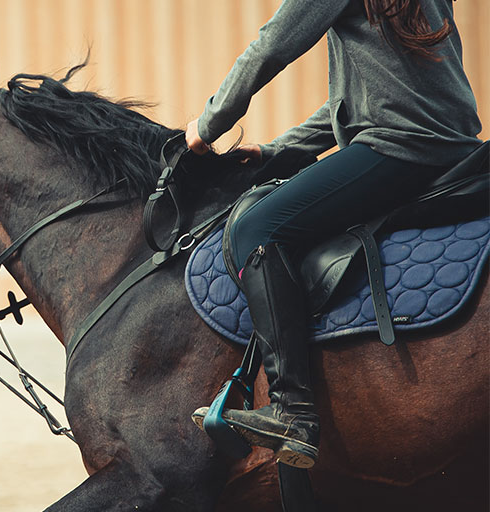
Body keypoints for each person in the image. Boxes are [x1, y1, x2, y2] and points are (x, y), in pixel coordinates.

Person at [186, 0, 482, 468]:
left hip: (399, 148)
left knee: (257, 228)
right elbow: (373, 96)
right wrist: (277, 150)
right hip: (448, 146)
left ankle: (293, 412)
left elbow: (271, 47)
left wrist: (206, 127)